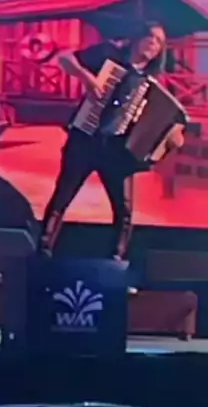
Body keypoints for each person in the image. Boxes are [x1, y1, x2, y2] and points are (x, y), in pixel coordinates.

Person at [41, 22, 185, 260]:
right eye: (150, 37)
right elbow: (65, 58)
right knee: (62, 197)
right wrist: (87, 78)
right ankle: (43, 252)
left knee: (124, 211)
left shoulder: (153, 82)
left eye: (159, 42)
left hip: (118, 151)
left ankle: (115, 260)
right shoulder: (110, 54)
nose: (153, 43)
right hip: (86, 138)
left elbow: (172, 125)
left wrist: (173, 137)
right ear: (138, 37)